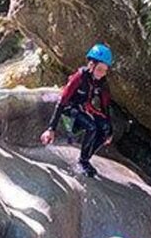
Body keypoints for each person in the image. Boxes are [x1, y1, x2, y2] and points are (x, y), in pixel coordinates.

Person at [40, 43, 114, 177]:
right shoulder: (79, 76)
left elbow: (105, 106)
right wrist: (51, 129)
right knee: (91, 127)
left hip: (82, 108)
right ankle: (83, 162)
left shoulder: (102, 82)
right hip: (69, 108)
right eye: (100, 69)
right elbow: (62, 101)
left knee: (105, 128)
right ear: (91, 65)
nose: (102, 74)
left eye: (105, 70)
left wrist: (109, 132)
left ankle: (85, 158)